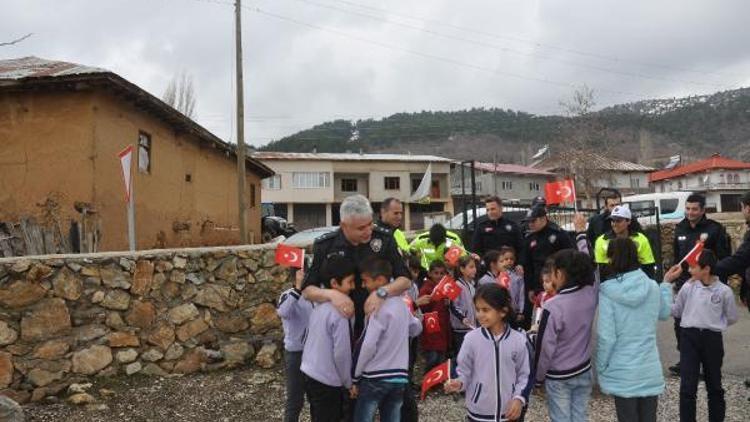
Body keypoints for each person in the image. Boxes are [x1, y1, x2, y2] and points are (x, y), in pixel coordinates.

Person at [302, 194, 412, 339]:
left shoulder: (384, 239)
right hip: (339, 325)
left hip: (376, 322)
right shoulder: (326, 245)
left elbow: (405, 280)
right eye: (361, 228)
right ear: (343, 226)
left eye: (370, 224)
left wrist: (382, 292)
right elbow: (307, 290)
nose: (368, 231)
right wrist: (332, 295)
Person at [595, 237, 673, 422]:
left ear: (613, 258)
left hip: (622, 370)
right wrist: (666, 284)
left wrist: (600, 366)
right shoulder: (652, 287)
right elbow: (663, 313)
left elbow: (607, 337)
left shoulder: (608, 292)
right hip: (648, 366)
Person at [666, 250, 739, 422]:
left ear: (706, 269)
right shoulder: (688, 287)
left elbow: (731, 317)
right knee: (687, 387)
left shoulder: (724, 291)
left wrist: (713, 324)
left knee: (714, 385)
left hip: (712, 340)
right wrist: (665, 291)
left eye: (693, 267)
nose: (689, 270)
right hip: (689, 338)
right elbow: (676, 310)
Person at [444, 284, 533, 422]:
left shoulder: (519, 340)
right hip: (478, 413)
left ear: (503, 311)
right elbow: (463, 371)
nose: (479, 315)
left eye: (485, 310)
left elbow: (525, 374)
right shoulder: (471, 339)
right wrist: (459, 383)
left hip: (509, 413)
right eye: (478, 309)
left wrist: (519, 398)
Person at [669, 193, 732, 376]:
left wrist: (719, 284)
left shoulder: (715, 229)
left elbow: (723, 258)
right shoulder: (680, 228)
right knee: (680, 322)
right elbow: (677, 256)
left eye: (695, 209)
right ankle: (686, 360)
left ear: (703, 210)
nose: (690, 212)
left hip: (705, 285)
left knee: (705, 325)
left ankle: (707, 365)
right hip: (684, 284)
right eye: (687, 208)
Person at [353, 258, 422, 422]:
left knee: (363, 417)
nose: (363, 285)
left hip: (374, 376)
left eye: (365, 281)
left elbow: (368, 345)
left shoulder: (376, 308)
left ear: (380, 281)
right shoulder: (401, 304)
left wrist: (355, 376)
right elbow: (416, 328)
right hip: (399, 377)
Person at [534, 249, 598, 422]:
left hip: (559, 376)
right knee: (580, 416)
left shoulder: (552, 306)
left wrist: (538, 378)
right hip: (584, 368)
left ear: (560, 274)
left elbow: (545, 347)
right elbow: (593, 270)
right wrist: (581, 236)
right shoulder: (590, 293)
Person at [300, 256, 357, 422]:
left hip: (309, 373)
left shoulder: (320, 306)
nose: (354, 286)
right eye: (350, 282)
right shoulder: (342, 313)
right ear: (334, 283)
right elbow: (342, 353)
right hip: (327, 381)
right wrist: (348, 383)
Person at [521, 206, 575, 329]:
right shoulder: (530, 239)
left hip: (558, 284)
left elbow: (570, 259)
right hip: (538, 285)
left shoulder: (559, 234)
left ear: (543, 218)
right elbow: (528, 266)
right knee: (538, 320)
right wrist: (530, 288)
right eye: (528, 222)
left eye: (533, 221)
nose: (530, 224)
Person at [277, 268, 313, 422]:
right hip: (296, 354)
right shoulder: (288, 295)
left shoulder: (315, 295)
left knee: (316, 399)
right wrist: (298, 289)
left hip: (314, 353)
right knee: (295, 400)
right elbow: (283, 312)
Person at [594, 205, 657, 279]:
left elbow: (648, 266)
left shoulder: (641, 239)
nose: (614, 224)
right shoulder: (601, 240)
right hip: (611, 282)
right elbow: (600, 269)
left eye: (618, 221)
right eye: (612, 220)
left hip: (637, 280)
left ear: (629, 221)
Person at [416, 261, 452, 372]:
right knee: (432, 356)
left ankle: (437, 381)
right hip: (431, 328)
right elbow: (422, 309)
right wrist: (431, 300)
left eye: (442, 273)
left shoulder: (444, 288)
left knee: (440, 356)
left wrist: (447, 302)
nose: (439, 276)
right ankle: (428, 379)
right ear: (430, 274)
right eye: (436, 273)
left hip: (442, 326)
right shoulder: (426, 288)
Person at [471, 196, 525, 260]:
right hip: (489, 266)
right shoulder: (481, 228)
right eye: (488, 210)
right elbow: (475, 250)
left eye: (493, 209)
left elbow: (521, 248)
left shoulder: (513, 226)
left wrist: (520, 264)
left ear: (501, 208)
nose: (490, 212)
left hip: (508, 266)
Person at [449, 255, 478, 355]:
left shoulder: (472, 285)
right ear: (462, 269)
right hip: (461, 328)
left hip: (472, 326)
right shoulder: (457, 284)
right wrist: (462, 317)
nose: (474, 270)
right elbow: (452, 305)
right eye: (471, 267)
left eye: (474, 267)